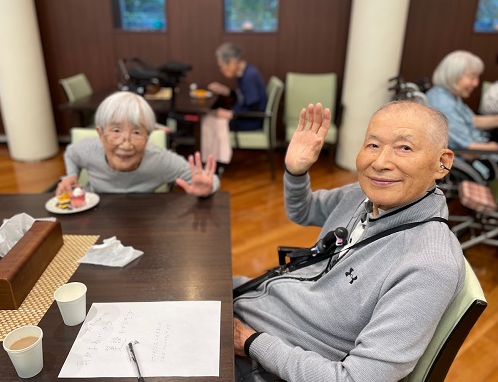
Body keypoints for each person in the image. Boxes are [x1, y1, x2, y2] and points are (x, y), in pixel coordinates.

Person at [232, 101, 465, 381]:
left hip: (264, 359)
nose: (380, 162)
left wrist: (252, 342)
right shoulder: (363, 196)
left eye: (404, 148)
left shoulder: (430, 264)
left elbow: (355, 378)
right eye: (373, 145)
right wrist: (296, 171)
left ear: (442, 163)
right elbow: (303, 210)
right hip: (259, 301)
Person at [56, 91, 219, 197]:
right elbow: (70, 153)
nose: (126, 145)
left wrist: (208, 188)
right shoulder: (89, 149)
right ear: (100, 133)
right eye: (116, 130)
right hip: (95, 216)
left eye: (136, 133)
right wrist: (71, 175)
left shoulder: (158, 160)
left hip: (143, 221)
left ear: (148, 137)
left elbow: (209, 179)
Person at [201, 42, 267, 166]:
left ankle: (212, 163)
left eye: (222, 66)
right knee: (210, 117)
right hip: (245, 117)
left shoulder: (250, 77)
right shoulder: (245, 73)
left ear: (232, 62)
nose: (221, 70)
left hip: (250, 121)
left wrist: (230, 114)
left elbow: (253, 107)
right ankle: (214, 161)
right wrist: (226, 91)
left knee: (209, 121)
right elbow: (244, 99)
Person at [426, 50, 498, 151]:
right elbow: (468, 151)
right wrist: (494, 146)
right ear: (453, 75)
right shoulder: (445, 105)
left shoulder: (448, 94)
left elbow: (472, 121)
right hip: (471, 155)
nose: (476, 83)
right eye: (472, 77)